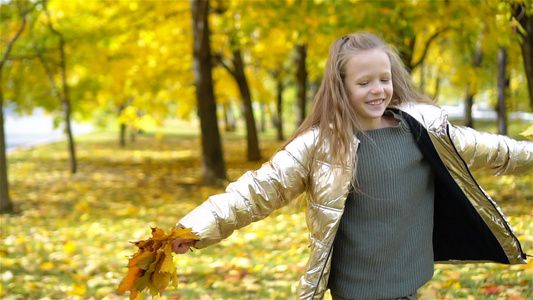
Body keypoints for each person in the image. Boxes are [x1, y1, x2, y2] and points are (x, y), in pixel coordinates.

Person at [172, 32, 532, 300]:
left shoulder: (425, 128)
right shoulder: (323, 144)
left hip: (411, 280)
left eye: (384, 79)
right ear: (341, 86)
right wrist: (194, 228)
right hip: (356, 289)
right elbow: (258, 189)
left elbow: (496, 150)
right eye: (364, 83)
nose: (378, 90)